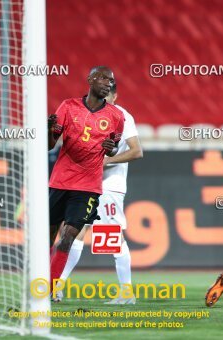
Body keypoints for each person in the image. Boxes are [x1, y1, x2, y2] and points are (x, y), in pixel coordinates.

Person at [57, 83, 143, 304]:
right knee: (73, 232)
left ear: (114, 94)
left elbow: (136, 151)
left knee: (112, 237)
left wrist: (106, 161)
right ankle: (57, 285)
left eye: (108, 94)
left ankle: (126, 292)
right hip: (85, 184)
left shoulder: (123, 116)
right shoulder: (88, 114)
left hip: (109, 187)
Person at [48, 66, 125, 289]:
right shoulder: (68, 106)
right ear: (90, 79)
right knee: (50, 235)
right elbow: (49, 145)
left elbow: (113, 149)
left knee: (69, 235)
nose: (107, 83)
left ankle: (51, 288)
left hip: (88, 186)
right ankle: (39, 282)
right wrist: (48, 131)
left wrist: (111, 149)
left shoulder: (116, 116)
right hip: (60, 181)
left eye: (111, 80)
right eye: (103, 78)